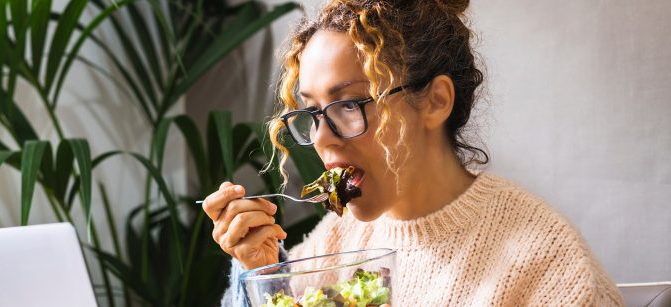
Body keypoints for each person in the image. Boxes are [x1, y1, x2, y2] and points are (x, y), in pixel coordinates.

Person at [202, 0, 624, 305]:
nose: (320, 139)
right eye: (312, 112)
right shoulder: (340, 237)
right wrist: (262, 271)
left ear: (436, 101)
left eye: (349, 104)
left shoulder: (543, 256)